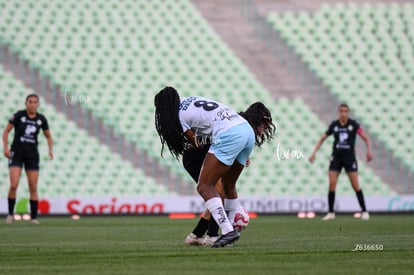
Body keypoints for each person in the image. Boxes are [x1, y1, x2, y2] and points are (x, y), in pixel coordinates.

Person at [154, 87, 275, 247]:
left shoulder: (178, 115)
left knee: (205, 187)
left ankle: (225, 232)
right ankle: (218, 233)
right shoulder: (191, 99)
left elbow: (197, 144)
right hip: (245, 130)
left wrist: (225, 146)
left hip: (227, 135)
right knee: (227, 186)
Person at [309, 103, 372, 221]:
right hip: (336, 158)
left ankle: (364, 211)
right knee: (332, 183)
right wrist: (314, 153)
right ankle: (331, 212)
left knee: (355, 185)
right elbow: (323, 138)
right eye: (341, 111)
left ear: (348, 112)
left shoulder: (354, 125)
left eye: (345, 111)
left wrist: (368, 152)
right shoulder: (334, 125)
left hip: (349, 158)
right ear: (338, 113)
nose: (343, 113)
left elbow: (365, 137)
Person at [2, 94, 53, 224]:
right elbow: (6, 132)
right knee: (13, 185)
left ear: (38, 104)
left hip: (32, 155)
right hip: (17, 153)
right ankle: (10, 214)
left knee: (33, 186)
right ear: (26, 103)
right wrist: (6, 148)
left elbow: (48, 136)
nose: (32, 104)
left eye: (35, 102)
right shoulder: (18, 115)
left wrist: (50, 149)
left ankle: (34, 217)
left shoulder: (41, 119)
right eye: (30, 102)